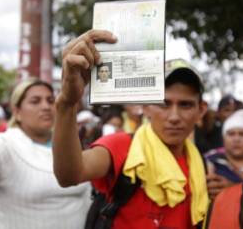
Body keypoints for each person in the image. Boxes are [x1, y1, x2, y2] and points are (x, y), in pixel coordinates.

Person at [52, 30, 209, 229]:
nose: (174, 116)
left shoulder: (200, 164)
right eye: (163, 104)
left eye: (185, 105)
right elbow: (69, 175)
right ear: (145, 106)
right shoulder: (122, 147)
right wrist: (66, 104)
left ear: (201, 110)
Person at [0, 64, 92, 229]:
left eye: (51, 100)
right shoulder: (5, 145)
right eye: (35, 101)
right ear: (16, 111)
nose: (46, 107)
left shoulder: (68, 145)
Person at [206, 109, 243, 199]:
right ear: (223, 138)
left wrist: (234, 189)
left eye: (242, 134)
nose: (236, 139)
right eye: (231, 134)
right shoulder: (209, 160)